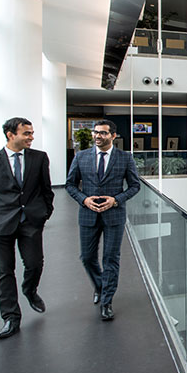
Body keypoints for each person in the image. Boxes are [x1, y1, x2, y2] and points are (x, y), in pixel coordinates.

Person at [0, 117, 54, 339]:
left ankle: (29, 290)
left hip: (31, 221)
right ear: (11, 134)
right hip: (0, 224)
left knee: (34, 264)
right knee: (4, 271)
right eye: (26, 133)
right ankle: (10, 318)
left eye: (32, 133)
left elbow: (46, 190)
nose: (31, 137)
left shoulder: (39, 158)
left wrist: (44, 214)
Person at [65, 119, 140, 321]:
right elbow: (70, 185)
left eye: (103, 133)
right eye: (96, 133)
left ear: (113, 136)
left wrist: (116, 200)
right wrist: (84, 199)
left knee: (110, 259)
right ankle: (99, 285)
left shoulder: (125, 158)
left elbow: (135, 186)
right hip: (88, 214)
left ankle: (107, 301)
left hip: (114, 215)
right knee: (87, 257)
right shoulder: (81, 157)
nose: (98, 136)